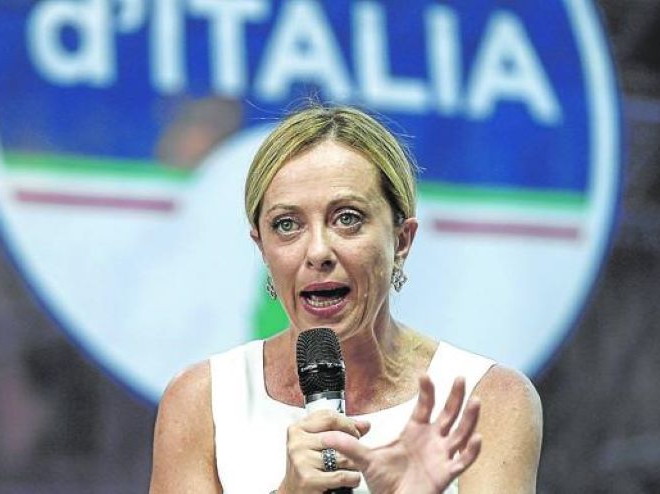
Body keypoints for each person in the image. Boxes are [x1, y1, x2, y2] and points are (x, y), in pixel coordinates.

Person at [148, 104, 543, 494]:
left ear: (402, 240)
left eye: (347, 218)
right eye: (287, 224)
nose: (318, 251)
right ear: (262, 248)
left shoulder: (487, 399)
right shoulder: (203, 400)